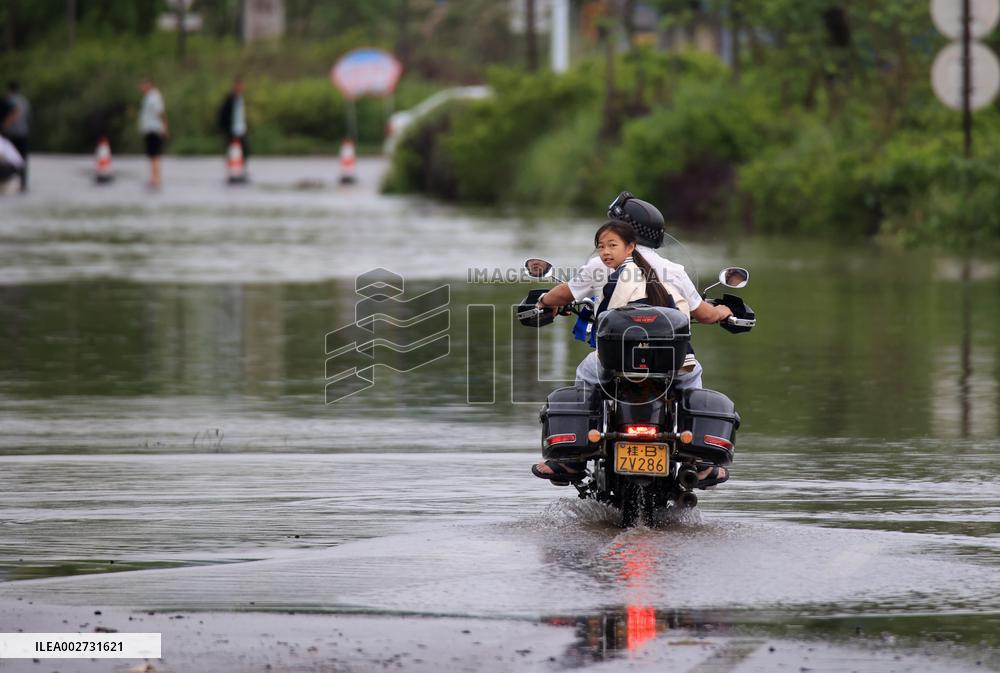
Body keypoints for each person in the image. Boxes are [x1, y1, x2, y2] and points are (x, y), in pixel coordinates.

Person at [531, 196, 733, 487]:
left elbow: (564, 294)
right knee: (693, 377)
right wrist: (723, 312)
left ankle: (572, 461)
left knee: (585, 373)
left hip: (613, 365)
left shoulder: (600, 265)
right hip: (672, 366)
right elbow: (703, 312)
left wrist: (543, 301)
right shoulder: (674, 270)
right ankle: (697, 462)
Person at [138, 77, 168, 189]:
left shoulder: (154, 97)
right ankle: (153, 177)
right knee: (151, 155)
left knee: (155, 154)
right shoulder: (148, 97)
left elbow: (160, 113)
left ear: (148, 85)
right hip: (149, 129)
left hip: (154, 129)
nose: (141, 88)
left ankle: (156, 179)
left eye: (142, 85)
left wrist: (164, 127)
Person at [1, 81, 30, 192]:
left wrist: (4, 127)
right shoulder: (24, 101)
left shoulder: (8, 101)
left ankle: (9, 179)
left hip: (11, 134)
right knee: (22, 159)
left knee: (10, 159)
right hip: (23, 133)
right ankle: (23, 183)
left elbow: (10, 115)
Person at [217, 76, 248, 169]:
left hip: (240, 129)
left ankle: (241, 168)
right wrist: (224, 128)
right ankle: (232, 169)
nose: (243, 87)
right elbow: (223, 114)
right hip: (232, 129)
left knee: (245, 150)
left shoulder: (240, 98)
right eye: (241, 85)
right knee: (233, 150)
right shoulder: (230, 99)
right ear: (236, 86)